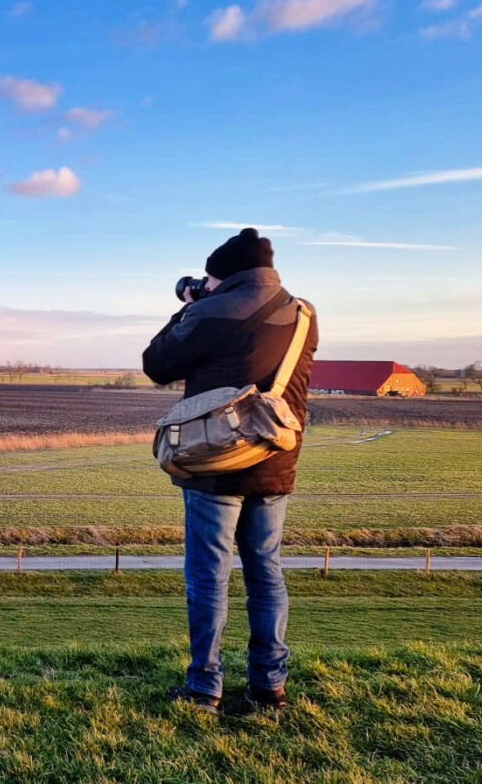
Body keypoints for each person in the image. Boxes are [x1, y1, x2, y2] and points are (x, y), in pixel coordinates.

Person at [141, 228, 319, 715]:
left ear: (223, 276)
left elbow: (156, 363)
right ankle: (269, 686)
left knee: (208, 576)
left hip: (215, 462)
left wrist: (189, 302)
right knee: (266, 573)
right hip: (276, 458)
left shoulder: (209, 310)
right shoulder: (305, 315)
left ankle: (204, 687)